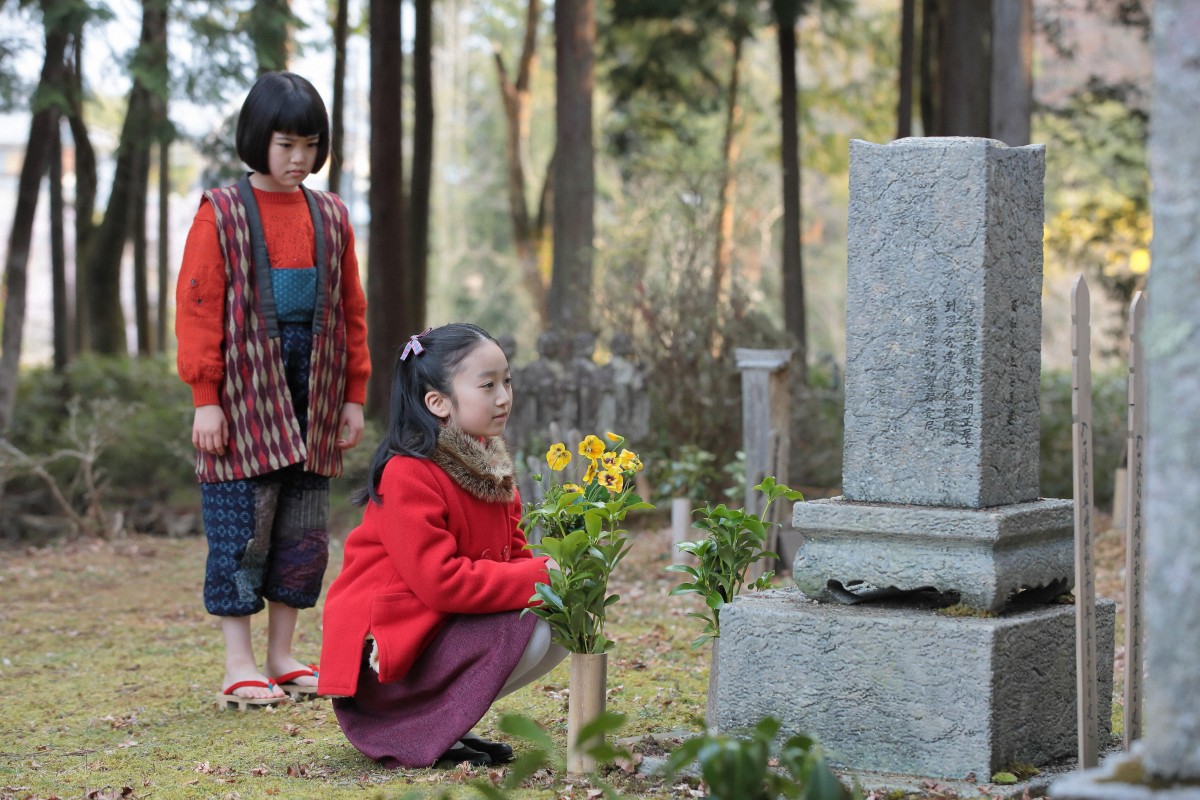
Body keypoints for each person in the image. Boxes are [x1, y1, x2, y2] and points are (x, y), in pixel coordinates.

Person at [175, 71, 370, 709]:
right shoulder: (221, 212)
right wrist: (206, 396)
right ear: (258, 139)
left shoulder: (331, 214)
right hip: (240, 392)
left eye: (311, 145)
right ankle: (239, 664)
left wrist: (352, 393)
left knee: (303, 530)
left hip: (314, 387)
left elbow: (350, 312)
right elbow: (198, 307)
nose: (299, 159)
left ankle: (284, 657)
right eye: (287, 144)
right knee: (241, 527)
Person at [318, 323, 566, 768]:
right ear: (438, 402)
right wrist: (542, 575)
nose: (504, 397)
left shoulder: (492, 469)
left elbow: (515, 556)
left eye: (507, 380)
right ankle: (418, 721)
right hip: (390, 658)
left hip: (439, 632)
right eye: (487, 385)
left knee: (563, 618)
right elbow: (442, 583)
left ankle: (447, 725)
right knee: (537, 623)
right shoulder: (409, 473)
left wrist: (556, 576)